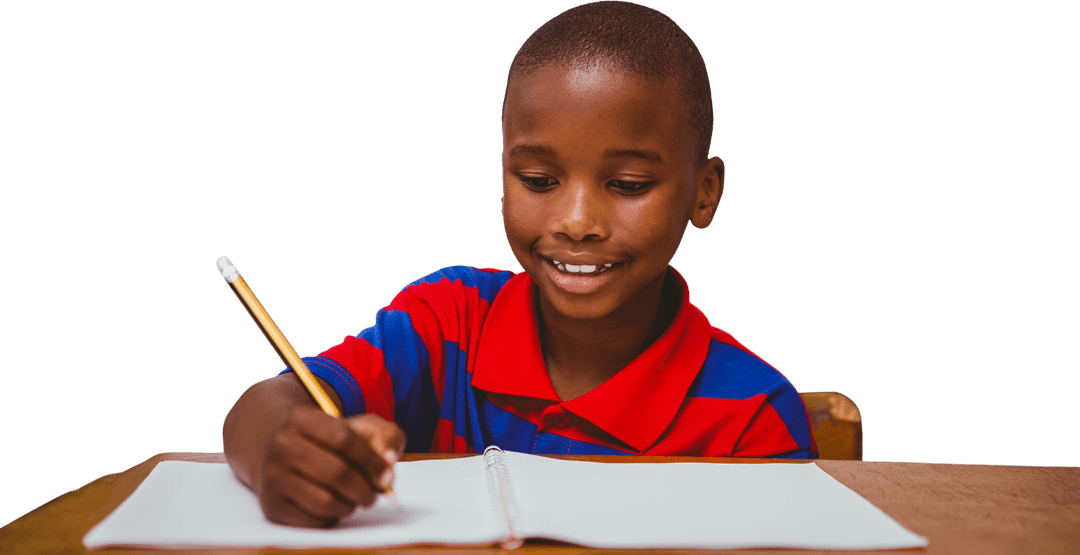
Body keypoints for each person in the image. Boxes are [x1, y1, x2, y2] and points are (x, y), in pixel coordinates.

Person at [223, 1, 817, 528]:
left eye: (628, 183)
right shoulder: (446, 323)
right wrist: (285, 445)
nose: (576, 220)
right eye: (538, 179)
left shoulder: (753, 419)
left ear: (704, 193)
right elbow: (265, 404)